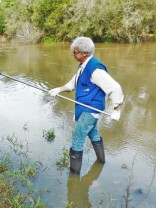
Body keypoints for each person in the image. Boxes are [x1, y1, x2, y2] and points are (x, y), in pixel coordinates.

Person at [49, 37, 124, 173]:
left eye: (75, 52)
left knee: (77, 138)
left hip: (90, 110)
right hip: (84, 108)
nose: (72, 54)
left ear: (84, 54)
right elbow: (72, 84)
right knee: (93, 133)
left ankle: (74, 177)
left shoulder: (95, 69)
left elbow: (115, 88)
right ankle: (101, 162)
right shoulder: (83, 66)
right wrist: (59, 89)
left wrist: (116, 109)